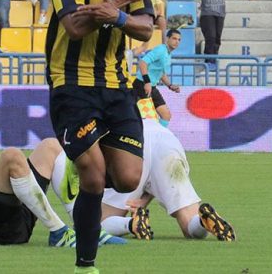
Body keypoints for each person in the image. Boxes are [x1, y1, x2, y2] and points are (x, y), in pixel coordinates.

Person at [46, 0, 162, 274]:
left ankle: (75, 164)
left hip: (116, 84)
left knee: (127, 179)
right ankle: (86, 265)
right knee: (95, 177)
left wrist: (116, 13)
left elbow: (145, 29)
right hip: (71, 83)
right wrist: (121, 1)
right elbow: (75, 27)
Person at [92, 99, 235, 241]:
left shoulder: (101, 94)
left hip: (129, 140)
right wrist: (144, 198)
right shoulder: (145, 91)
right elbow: (165, 115)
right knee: (189, 222)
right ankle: (202, 222)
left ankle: (131, 224)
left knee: (96, 222)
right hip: (165, 139)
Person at [175, 0, 255, 69]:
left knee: (217, 39)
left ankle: (213, 60)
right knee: (210, 37)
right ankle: (209, 61)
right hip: (207, 14)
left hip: (220, 14)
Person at [132, 29, 182, 126]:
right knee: (146, 119)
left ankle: (159, 135)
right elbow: (143, 63)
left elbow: (161, 73)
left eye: (179, 40)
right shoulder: (160, 50)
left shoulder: (168, 53)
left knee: (166, 115)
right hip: (142, 85)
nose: (177, 42)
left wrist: (170, 85)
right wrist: (147, 82)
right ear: (167, 38)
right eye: (174, 38)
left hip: (152, 87)